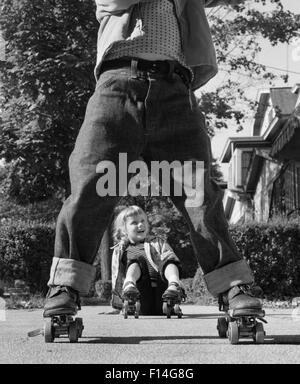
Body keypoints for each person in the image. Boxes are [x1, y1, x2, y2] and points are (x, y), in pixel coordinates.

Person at [43, 0, 262, 319]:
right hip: (117, 88)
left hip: (175, 93)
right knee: (93, 186)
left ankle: (233, 285)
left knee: (198, 195)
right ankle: (64, 285)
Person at [111, 205, 186, 315]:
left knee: (169, 259)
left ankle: (174, 284)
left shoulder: (157, 242)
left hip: (163, 293)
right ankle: (129, 285)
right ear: (124, 230)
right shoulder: (121, 250)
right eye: (134, 223)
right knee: (136, 261)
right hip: (140, 296)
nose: (140, 224)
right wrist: (118, 306)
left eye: (142, 221)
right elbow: (116, 276)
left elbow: (172, 259)